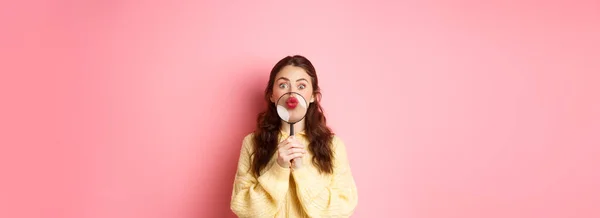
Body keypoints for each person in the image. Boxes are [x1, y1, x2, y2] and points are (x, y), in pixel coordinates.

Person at [230, 55, 358, 217]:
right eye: (283, 85)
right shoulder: (252, 143)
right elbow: (243, 208)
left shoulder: (333, 145)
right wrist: (279, 168)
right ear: (271, 95)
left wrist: (301, 169)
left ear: (313, 96)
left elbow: (343, 209)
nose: (292, 92)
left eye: (301, 86)